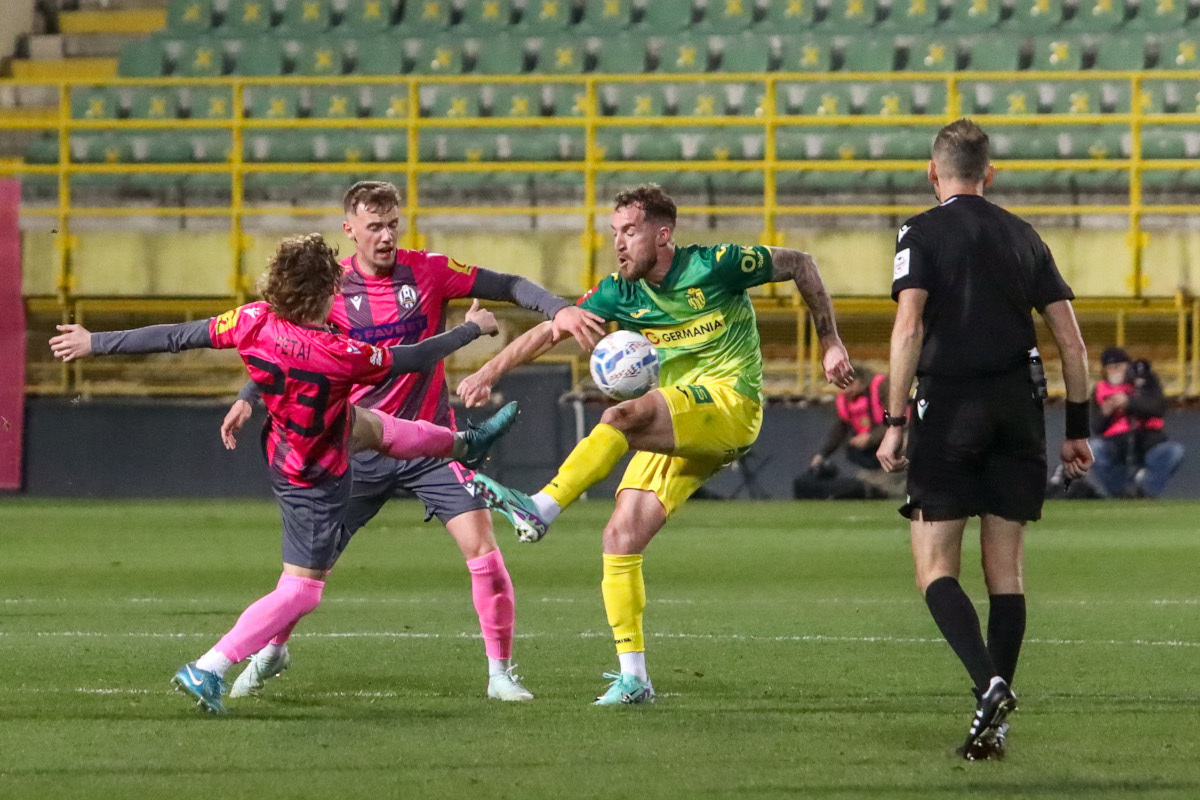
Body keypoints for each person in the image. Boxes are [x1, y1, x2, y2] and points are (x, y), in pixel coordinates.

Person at [49, 233, 511, 714]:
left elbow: (177, 336)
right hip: (315, 473)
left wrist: (94, 342)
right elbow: (409, 358)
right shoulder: (340, 353)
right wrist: (470, 328)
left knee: (375, 426)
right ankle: (209, 666)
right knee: (303, 591)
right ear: (325, 291)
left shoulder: (252, 321)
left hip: (291, 440)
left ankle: (464, 444)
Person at [456, 183, 854, 705]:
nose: (618, 243)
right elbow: (555, 330)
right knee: (620, 538)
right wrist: (489, 368)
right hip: (680, 421)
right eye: (614, 232)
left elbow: (800, 262)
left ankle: (540, 507)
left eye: (630, 231)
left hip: (731, 406)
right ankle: (635, 679)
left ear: (663, 234)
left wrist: (829, 341)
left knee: (622, 413)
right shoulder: (619, 293)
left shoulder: (717, 265)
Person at [220, 181, 607, 703]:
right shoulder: (331, 290)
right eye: (374, 226)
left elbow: (510, 283)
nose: (385, 236)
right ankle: (272, 650)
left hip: (429, 445)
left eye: (392, 224)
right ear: (349, 230)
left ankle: (499, 674)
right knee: (311, 568)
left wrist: (557, 309)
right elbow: (290, 344)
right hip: (355, 446)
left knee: (485, 553)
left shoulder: (427, 271)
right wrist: (250, 395)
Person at [875, 119, 1094, 760]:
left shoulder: (920, 230)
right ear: (989, 175)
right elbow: (1072, 343)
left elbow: (909, 326)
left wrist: (893, 420)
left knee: (935, 567)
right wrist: (1077, 433)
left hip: (950, 406)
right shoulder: (1024, 236)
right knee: (1007, 572)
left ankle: (989, 683)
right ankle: (990, 725)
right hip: (1020, 410)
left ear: (932, 173)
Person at [794, 365, 906, 500]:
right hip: (876, 449)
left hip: (900, 437)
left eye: (849, 385)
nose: (845, 391)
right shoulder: (845, 401)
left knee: (902, 446)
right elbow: (841, 429)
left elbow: (898, 418)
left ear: (859, 381)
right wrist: (822, 454)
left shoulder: (881, 387)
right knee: (865, 483)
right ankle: (881, 487)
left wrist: (870, 437)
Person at [1087, 347, 1184, 498]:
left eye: (1119, 366)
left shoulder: (1145, 381)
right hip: (1116, 444)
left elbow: (1157, 407)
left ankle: (1146, 491)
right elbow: (1096, 427)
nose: (1115, 371)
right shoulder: (1100, 389)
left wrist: (1129, 402)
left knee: (1174, 452)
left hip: (1148, 441)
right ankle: (1120, 493)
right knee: (1093, 449)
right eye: (1110, 368)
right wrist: (1106, 412)